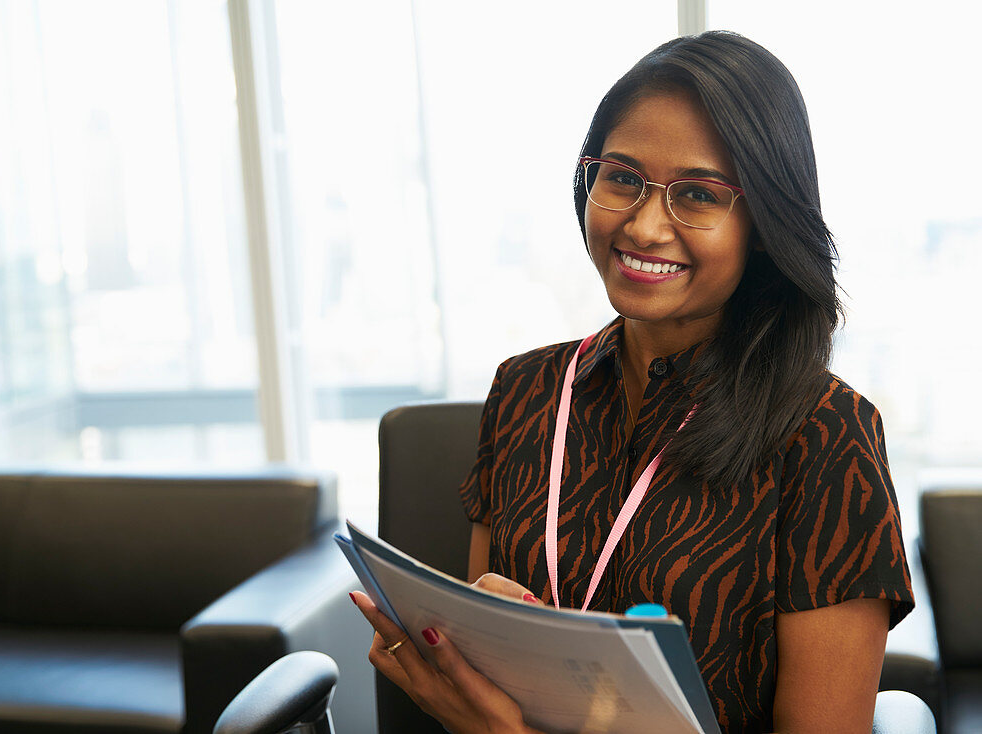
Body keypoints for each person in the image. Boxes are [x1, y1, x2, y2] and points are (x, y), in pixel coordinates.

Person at [351, 30, 914, 734]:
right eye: (622, 178)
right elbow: (485, 658)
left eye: (698, 194)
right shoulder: (525, 391)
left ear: (765, 224)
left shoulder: (827, 434)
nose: (645, 226)